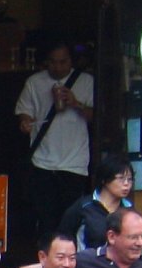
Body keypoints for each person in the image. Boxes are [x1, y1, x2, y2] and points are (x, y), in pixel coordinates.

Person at [14, 44, 94, 239]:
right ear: (46, 62)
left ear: (71, 61)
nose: (58, 67)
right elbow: (24, 112)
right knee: (46, 220)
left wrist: (75, 103)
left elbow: (95, 116)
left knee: (71, 221)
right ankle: (46, 260)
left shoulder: (86, 81)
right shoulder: (34, 82)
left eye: (63, 62)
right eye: (53, 62)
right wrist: (25, 122)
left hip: (74, 163)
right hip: (42, 161)